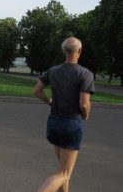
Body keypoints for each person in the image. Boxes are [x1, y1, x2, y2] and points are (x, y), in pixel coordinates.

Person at [33, 37, 95, 192]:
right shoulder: (85, 74)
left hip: (54, 122)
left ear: (63, 51)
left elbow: (37, 91)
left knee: (64, 170)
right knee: (63, 173)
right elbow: (84, 103)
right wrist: (86, 116)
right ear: (79, 51)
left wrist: (50, 102)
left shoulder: (53, 71)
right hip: (71, 124)